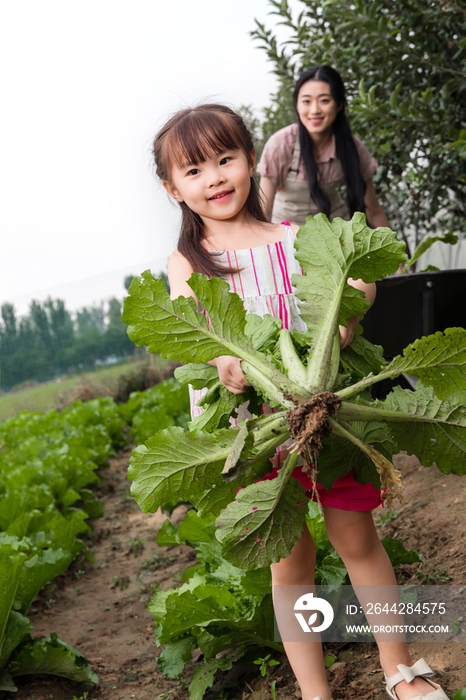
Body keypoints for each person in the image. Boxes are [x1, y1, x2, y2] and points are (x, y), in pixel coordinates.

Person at [154, 104, 447, 700]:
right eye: (193, 170)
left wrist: (347, 311)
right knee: (289, 560)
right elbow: (194, 320)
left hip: (327, 415)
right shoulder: (189, 261)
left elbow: (356, 281)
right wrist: (223, 361)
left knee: (357, 539)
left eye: (225, 159)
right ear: (172, 189)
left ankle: (400, 670)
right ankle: (315, 692)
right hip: (253, 426)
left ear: (250, 160)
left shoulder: (294, 239)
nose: (214, 178)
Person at [258, 65, 390, 229]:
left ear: (339, 104)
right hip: (287, 236)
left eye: (324, 101)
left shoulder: (351, 146)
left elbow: (374, 211)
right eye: (306, 101)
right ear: (297, 105)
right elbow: (262, 215)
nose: (315, 110)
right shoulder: (281, 144)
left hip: (336, 236)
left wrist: (396, 252)